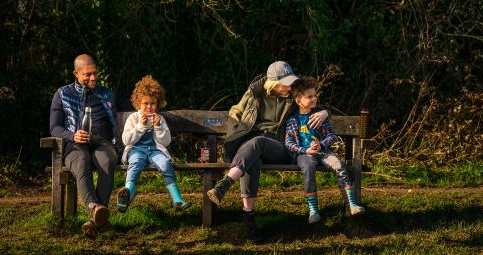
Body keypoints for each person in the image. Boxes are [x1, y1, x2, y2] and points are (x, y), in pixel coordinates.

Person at [206, 61, 328, 242]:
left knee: (257, 143)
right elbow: (235, 112)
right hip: (252, 144)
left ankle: (226, 183)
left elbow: (311, 102)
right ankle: (250, 222)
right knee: (251, 159)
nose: (289, 85)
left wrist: (326, 113)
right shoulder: (255, 93)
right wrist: (236, 133)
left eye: (290, 80)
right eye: (285, 82)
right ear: (273, 83)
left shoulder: (294, 93)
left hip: (279, 147)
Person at [49, 54, 117, 239]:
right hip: (74, 145)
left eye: (95, 73)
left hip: (101, 143)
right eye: (88, 75)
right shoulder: (63, 94)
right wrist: (72, 135)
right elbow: (54, 127)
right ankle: (96, 211)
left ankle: (94, 218)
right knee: (82, 162)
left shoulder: (107, 95)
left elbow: (136, 108)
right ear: (76, 73)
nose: (93, 78)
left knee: (107, 162)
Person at [285, 76, 365, 224]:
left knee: (338, 165)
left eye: (315, 95)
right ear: (298, 101)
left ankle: (351, 205)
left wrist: (321, 144)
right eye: (309, 97)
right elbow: (288, 142)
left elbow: (332, 136)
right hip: (304, 154)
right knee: (308, 169)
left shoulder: (319, 116)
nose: (314, 99)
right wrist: (304, 150)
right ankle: (313, 210)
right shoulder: (293, 120)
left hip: (323, 151)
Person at [117, 75, 190, 212]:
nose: (149, 107)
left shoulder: (160, 119)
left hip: (155, 150)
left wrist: (159, 126)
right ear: (138, 103)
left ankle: (177, 199)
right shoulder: (133, 118)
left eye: (153, 104)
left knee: (165, 163)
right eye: (145, 103)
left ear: (158, 104)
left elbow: (165, 142)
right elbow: (127, 140)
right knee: (136, 163)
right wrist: (140, 126)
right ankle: (128, 192)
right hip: (137, 150)